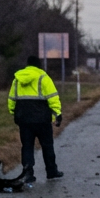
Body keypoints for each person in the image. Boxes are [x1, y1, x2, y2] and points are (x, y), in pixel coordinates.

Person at [8, 55, 62, 184]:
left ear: (27, 64)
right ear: (39, 65)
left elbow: (11, 99)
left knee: (27, 146)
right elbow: (52, 97)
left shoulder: (17, 79)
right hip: (42, 120)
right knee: (47, 146)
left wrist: (14, 113)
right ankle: (51, 171)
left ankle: (28, 173)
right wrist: (57, 114)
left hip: (24, 120)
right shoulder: (43, 78)